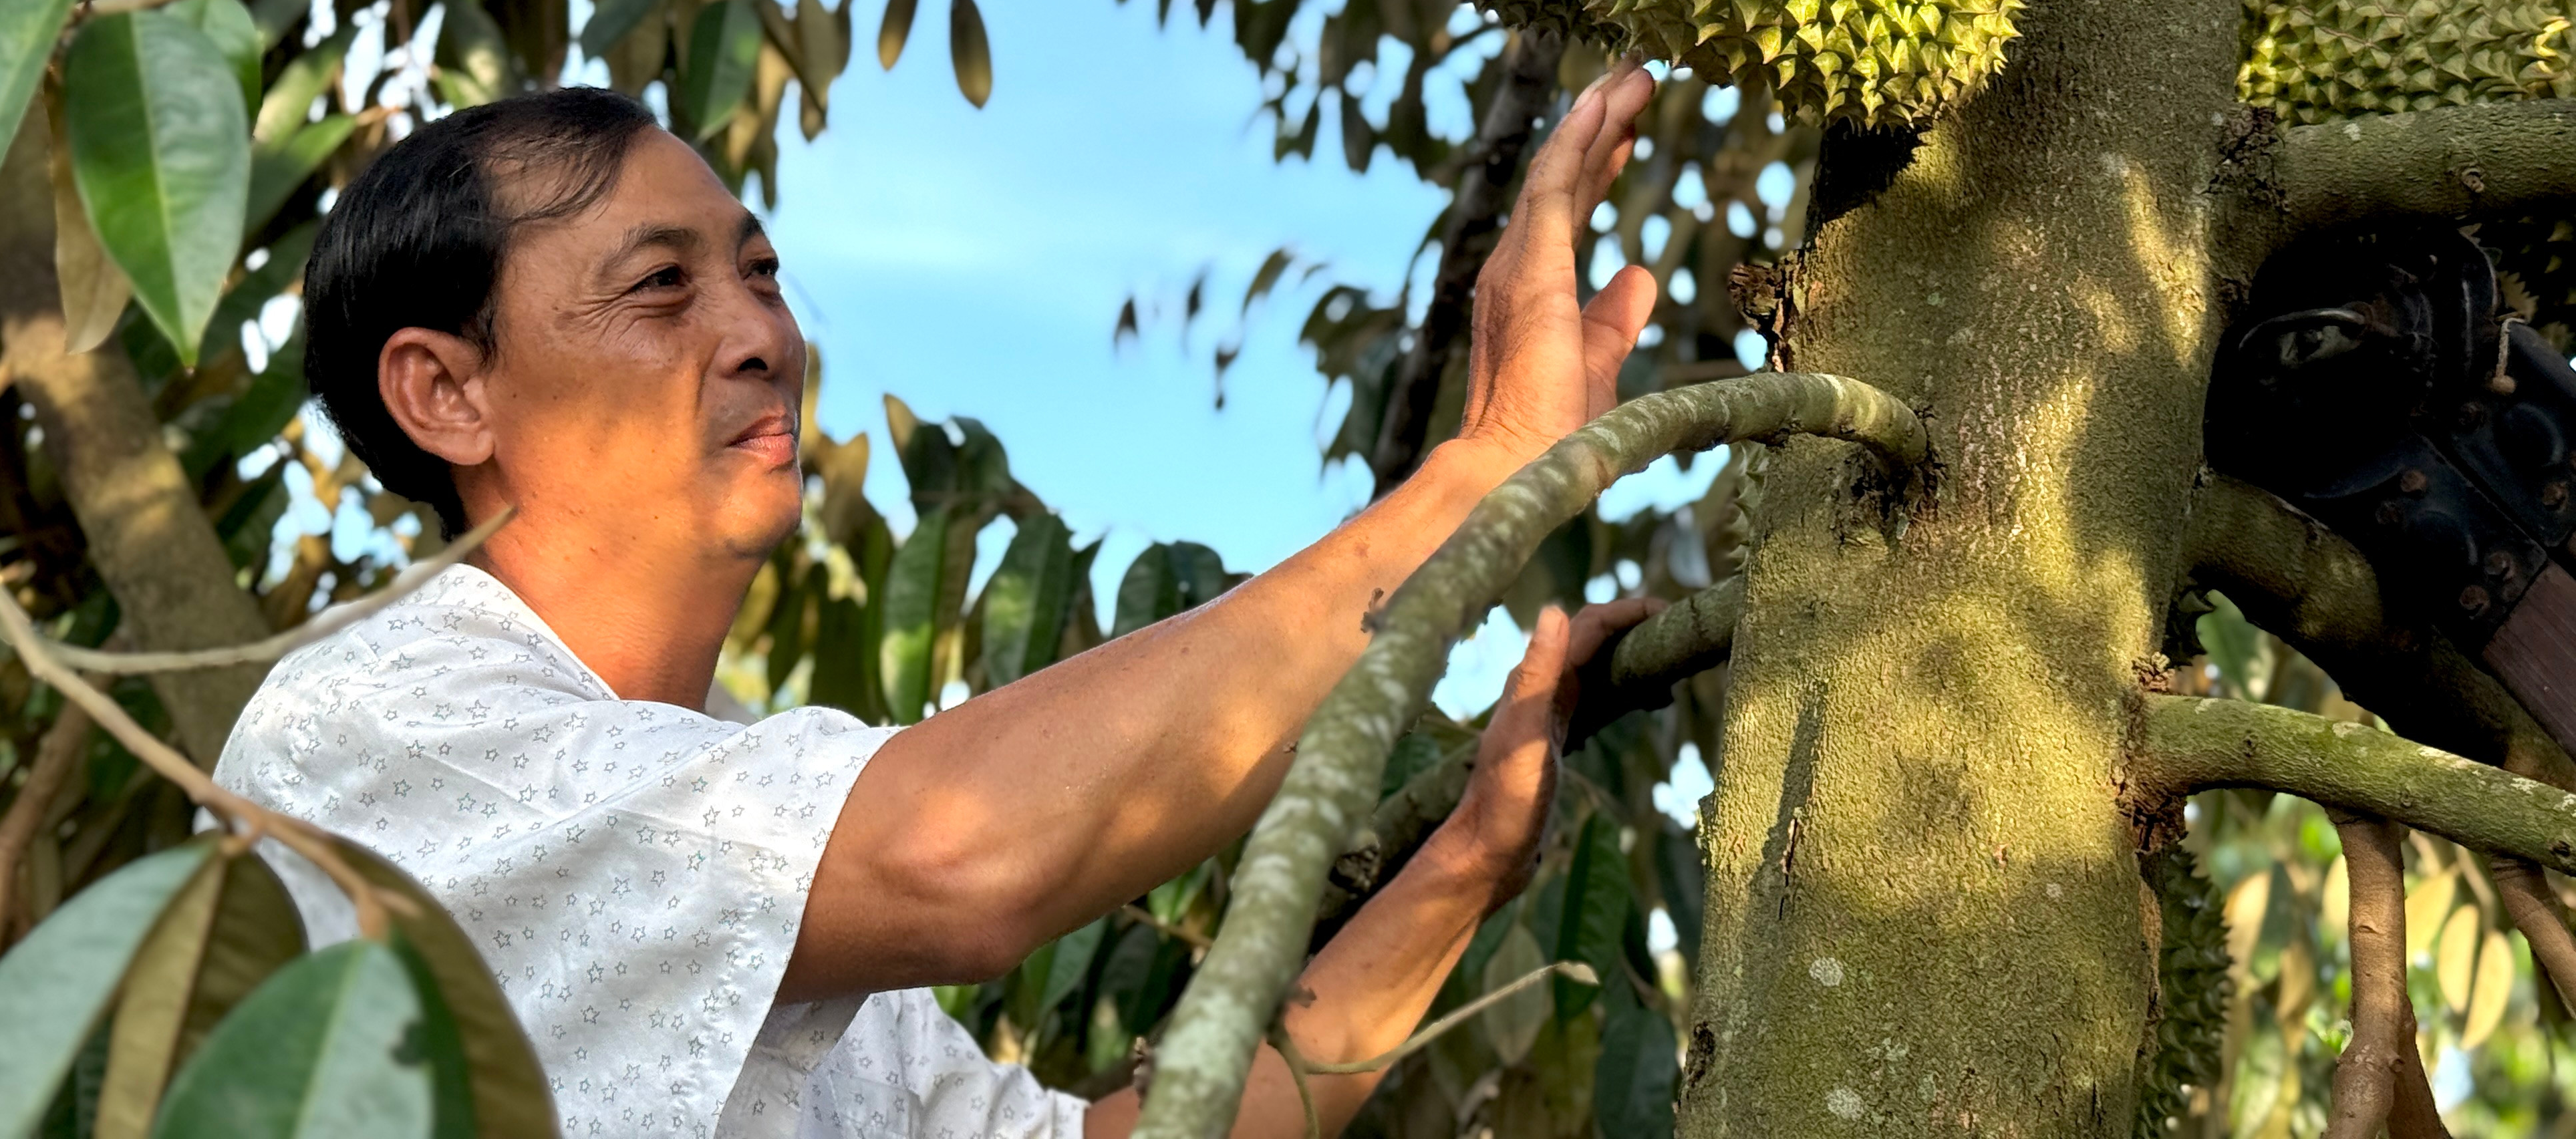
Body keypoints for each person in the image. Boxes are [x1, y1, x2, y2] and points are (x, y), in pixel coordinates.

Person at [214, 63, 1662, 1139]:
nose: (761, 337)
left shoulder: (756, 844)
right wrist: (1485, 475)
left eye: (761, 273)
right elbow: (967, 860)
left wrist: (1465, 866)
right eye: (662, 288)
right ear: (448, 391)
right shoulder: (378, 731)